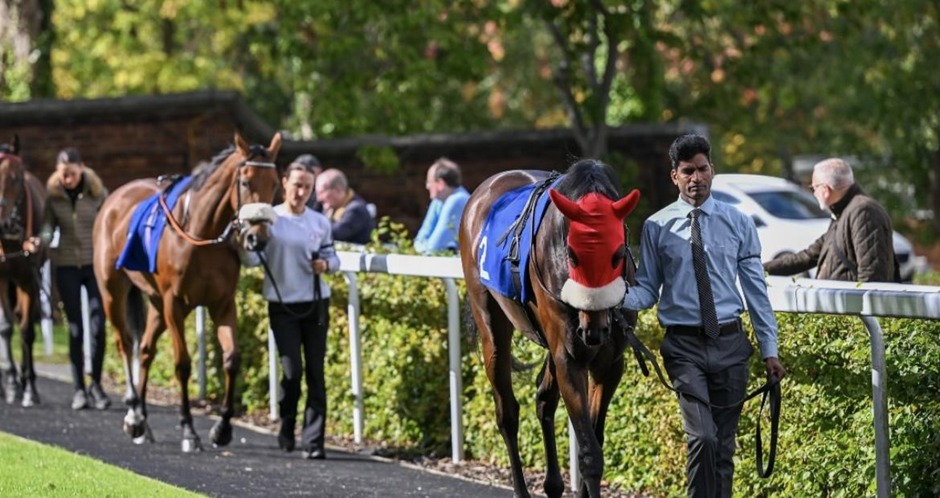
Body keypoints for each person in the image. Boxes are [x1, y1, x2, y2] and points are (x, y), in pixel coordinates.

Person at [622, 134, 786, 498]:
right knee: (702, 437)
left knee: (724, 446)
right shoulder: (656, 227)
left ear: (713, 170)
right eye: (687, 171)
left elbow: (756, 292)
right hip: (683, 347)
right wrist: (611, 297)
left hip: (731, 343)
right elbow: (648, 290)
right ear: (674, 177)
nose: (696, 177)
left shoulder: (739, 223)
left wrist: (769, 349)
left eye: (702, 169)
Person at [242, 161, 339, 460]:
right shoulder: (270, 219)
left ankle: (313, 442)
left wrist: (325, 265)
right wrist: (248, 241)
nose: (301, 192)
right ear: (284, 183)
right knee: (292, 371)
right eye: (297, 184)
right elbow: (251, 262)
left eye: (307, 187)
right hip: (282, 305)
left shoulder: (319, 222)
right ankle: (287, 423)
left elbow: (333, 259)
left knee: (316, 372)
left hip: (315, 303)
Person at [38, 148, 111, 411]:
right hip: (67, 266)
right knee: (76, 329)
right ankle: (79, 389)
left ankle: (98, 386)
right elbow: (47, 228)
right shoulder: (53, 197)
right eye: (62, 174)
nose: (66, 179)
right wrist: (40, 242)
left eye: (70, 173)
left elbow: (110, 225)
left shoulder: (98, 193)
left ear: (82, 168)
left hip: (94, 266)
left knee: (97, 326)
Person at [763, 158, 897, 282]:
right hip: (839, 305)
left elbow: (872, 275)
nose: (813, 193)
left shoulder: (863, 211)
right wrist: (758, 269)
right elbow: (807, 257)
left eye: (813, 188)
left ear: (825, 189)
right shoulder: (843, 212)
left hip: (851, 306)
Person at [413, 157, 470, 253]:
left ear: (440, 184)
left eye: (429, 181)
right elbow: (419, 239)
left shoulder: (457, 200)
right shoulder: (438, 201)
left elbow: (435, 247)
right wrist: (423, 248)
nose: (427, 186)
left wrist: (423, 248)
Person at [314, 168, 375, 245]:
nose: (319, 198)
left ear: (338, 190)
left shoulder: (356, 209)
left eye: (322, 192)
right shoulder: (331, 207)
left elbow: (334, 234)